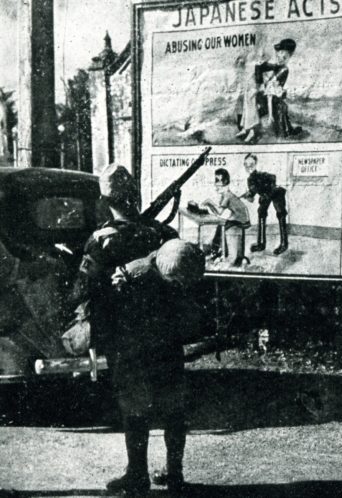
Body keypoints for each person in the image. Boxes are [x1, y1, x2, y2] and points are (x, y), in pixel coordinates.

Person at [70, 164, 180, 496]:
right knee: (173, 403)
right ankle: (175, 474)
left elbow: (81, 290)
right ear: (134, 194)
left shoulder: (102, 239)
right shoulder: (164, 234)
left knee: (134, 404)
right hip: (166, 331)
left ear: (105, 200)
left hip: (127, 335)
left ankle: (137, 474)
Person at [110, 238, 206, 496]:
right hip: (136, 355)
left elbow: (188, 313)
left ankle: (175, 475)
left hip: (166, 352)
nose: (182, 287)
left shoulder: (181, 262)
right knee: (136, 415)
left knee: (174, 414)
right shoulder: (134, 274)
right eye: (177, 282)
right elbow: (115, 313)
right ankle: (137, 475)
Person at [241, 153, 288, 255]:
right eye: (246, 165)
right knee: (261, 212)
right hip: (266, 195)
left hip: (276, 193)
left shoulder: (261, 175)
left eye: (251, 164)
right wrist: (247, 195)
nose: (249, 167)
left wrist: (266, 192)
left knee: (281, 214)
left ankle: (284, 244)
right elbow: (252, 197)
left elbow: (273, 178)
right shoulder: (250, 180)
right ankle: (261, 244)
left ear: (255, 164)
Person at [201, 167, 251, 265]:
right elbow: (219, 212)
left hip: (241, 219)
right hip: (237, 216)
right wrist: (209, 205)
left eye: (219, 181)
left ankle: (216, 251)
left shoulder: (227, 195)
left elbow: (219, 211)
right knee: (220, 226)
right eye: (216, 181)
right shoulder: (225, 195)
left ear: (225, 182)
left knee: (222, 227)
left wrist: (209, 202)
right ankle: (216, 250)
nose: (217, 185)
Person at [255, 38, 302, 138]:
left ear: (288, 56)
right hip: (269, 97)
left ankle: (286, 131)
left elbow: (272, 85)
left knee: (281, 113)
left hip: (274, 99)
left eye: (284, 55)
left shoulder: (284, 69)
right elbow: (260, 68)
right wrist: (261, 65)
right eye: (279, 53)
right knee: (277, 108)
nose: (279, 56)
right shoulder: (277, 66)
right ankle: (285, 130)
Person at [234, 55, 262, 143]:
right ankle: (245, 129)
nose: (240, 65)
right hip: (247, 93)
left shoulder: (252, 70)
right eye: (239, 63)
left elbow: (257, 83)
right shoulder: (240, 73)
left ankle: (252, 132)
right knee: (245, 112)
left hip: (251, 92)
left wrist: (253, 91)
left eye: (242, 63)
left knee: (251, 113)